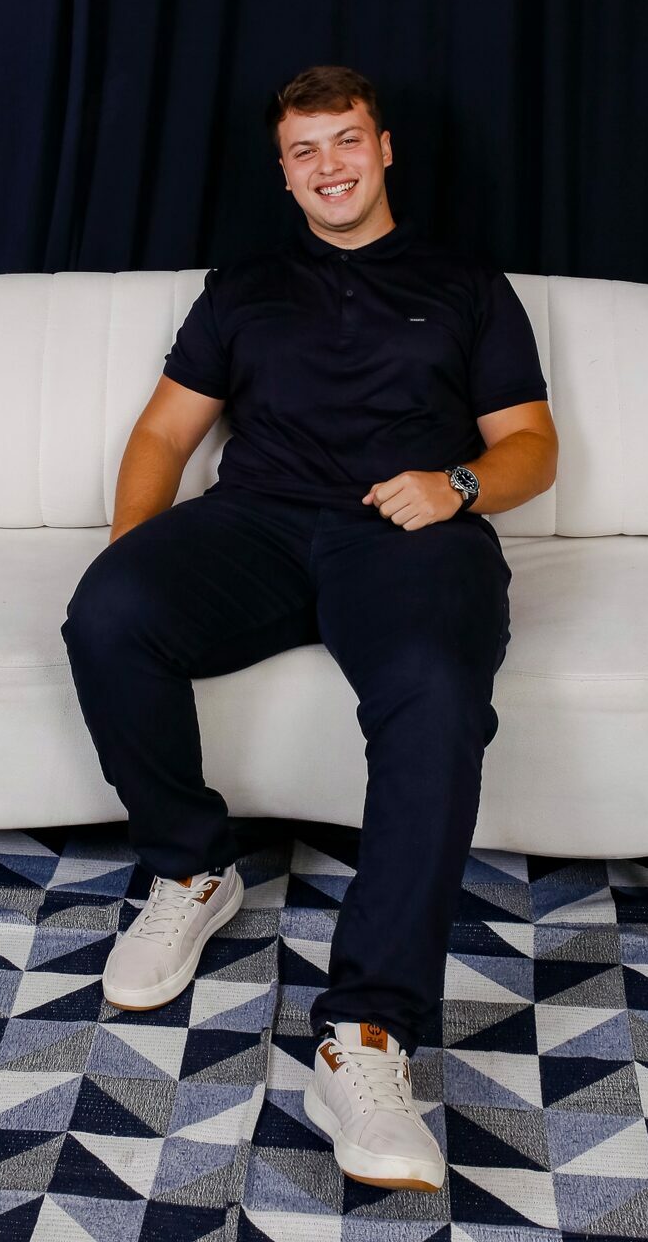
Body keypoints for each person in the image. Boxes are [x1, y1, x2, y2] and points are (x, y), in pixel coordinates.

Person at [60, 64, 558, 1193]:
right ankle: (192, 870)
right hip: (259, 523)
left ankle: (364, 1037)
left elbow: (531, 445)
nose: (328, 165)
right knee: (107, 611)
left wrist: (456, 487)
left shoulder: (465, 283)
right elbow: (162, 435)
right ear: (282, 173)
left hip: (406, 532)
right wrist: (132, 546)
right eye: (304, 150)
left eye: (345, 140)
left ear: (384, 149)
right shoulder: (243, 287)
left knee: (435, 695)